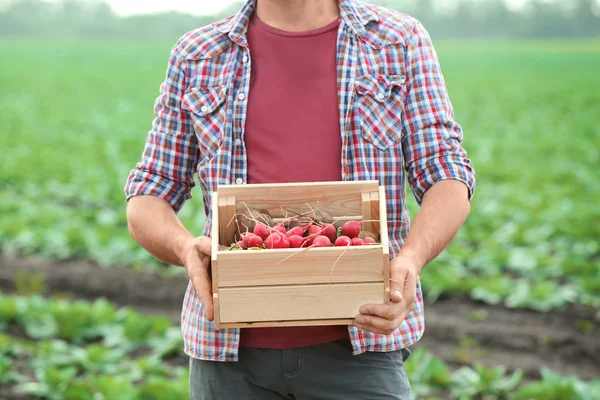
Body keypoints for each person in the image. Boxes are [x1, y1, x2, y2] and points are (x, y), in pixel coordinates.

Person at [124, 0, 475, 398]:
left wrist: (411, 258)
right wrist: (185, 248)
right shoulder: (199, 54)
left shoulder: (398, 41)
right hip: (228, 356)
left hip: (361, 346)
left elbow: (447, 174)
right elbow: (149, 192)